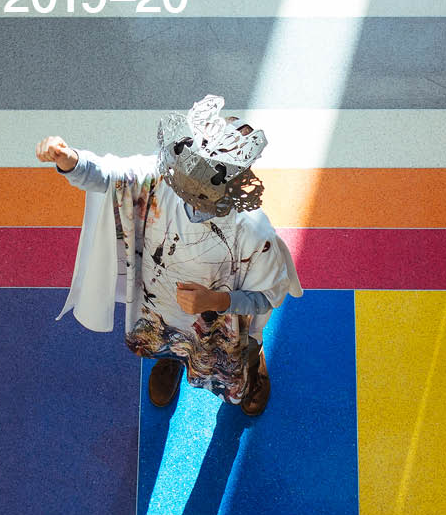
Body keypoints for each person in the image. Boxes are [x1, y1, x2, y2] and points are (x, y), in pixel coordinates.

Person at [35, 95, 302, 415]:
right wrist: (70, 159)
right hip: (161, 307)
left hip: (223, 322)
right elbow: (109, 175)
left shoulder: (253, 232)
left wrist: (215, 302)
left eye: (203, 190)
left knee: (236, 353)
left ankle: (250, 364)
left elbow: (266, 298)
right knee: (167, 341)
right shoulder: (162, 176)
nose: (188, 195)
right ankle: (173, 357)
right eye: (185, 179)